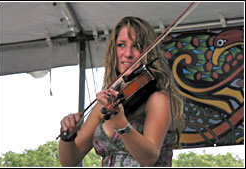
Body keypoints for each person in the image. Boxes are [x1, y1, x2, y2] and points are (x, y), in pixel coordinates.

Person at [58, 16, 185, 167]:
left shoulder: (158, 98)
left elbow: (149, 158)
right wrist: (67, 137)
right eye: (121, 45)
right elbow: (70, 161)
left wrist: (122, 125)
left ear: (148, 52)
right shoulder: (105, 104)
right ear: (114, 50)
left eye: (136, 46)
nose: (128, 53)